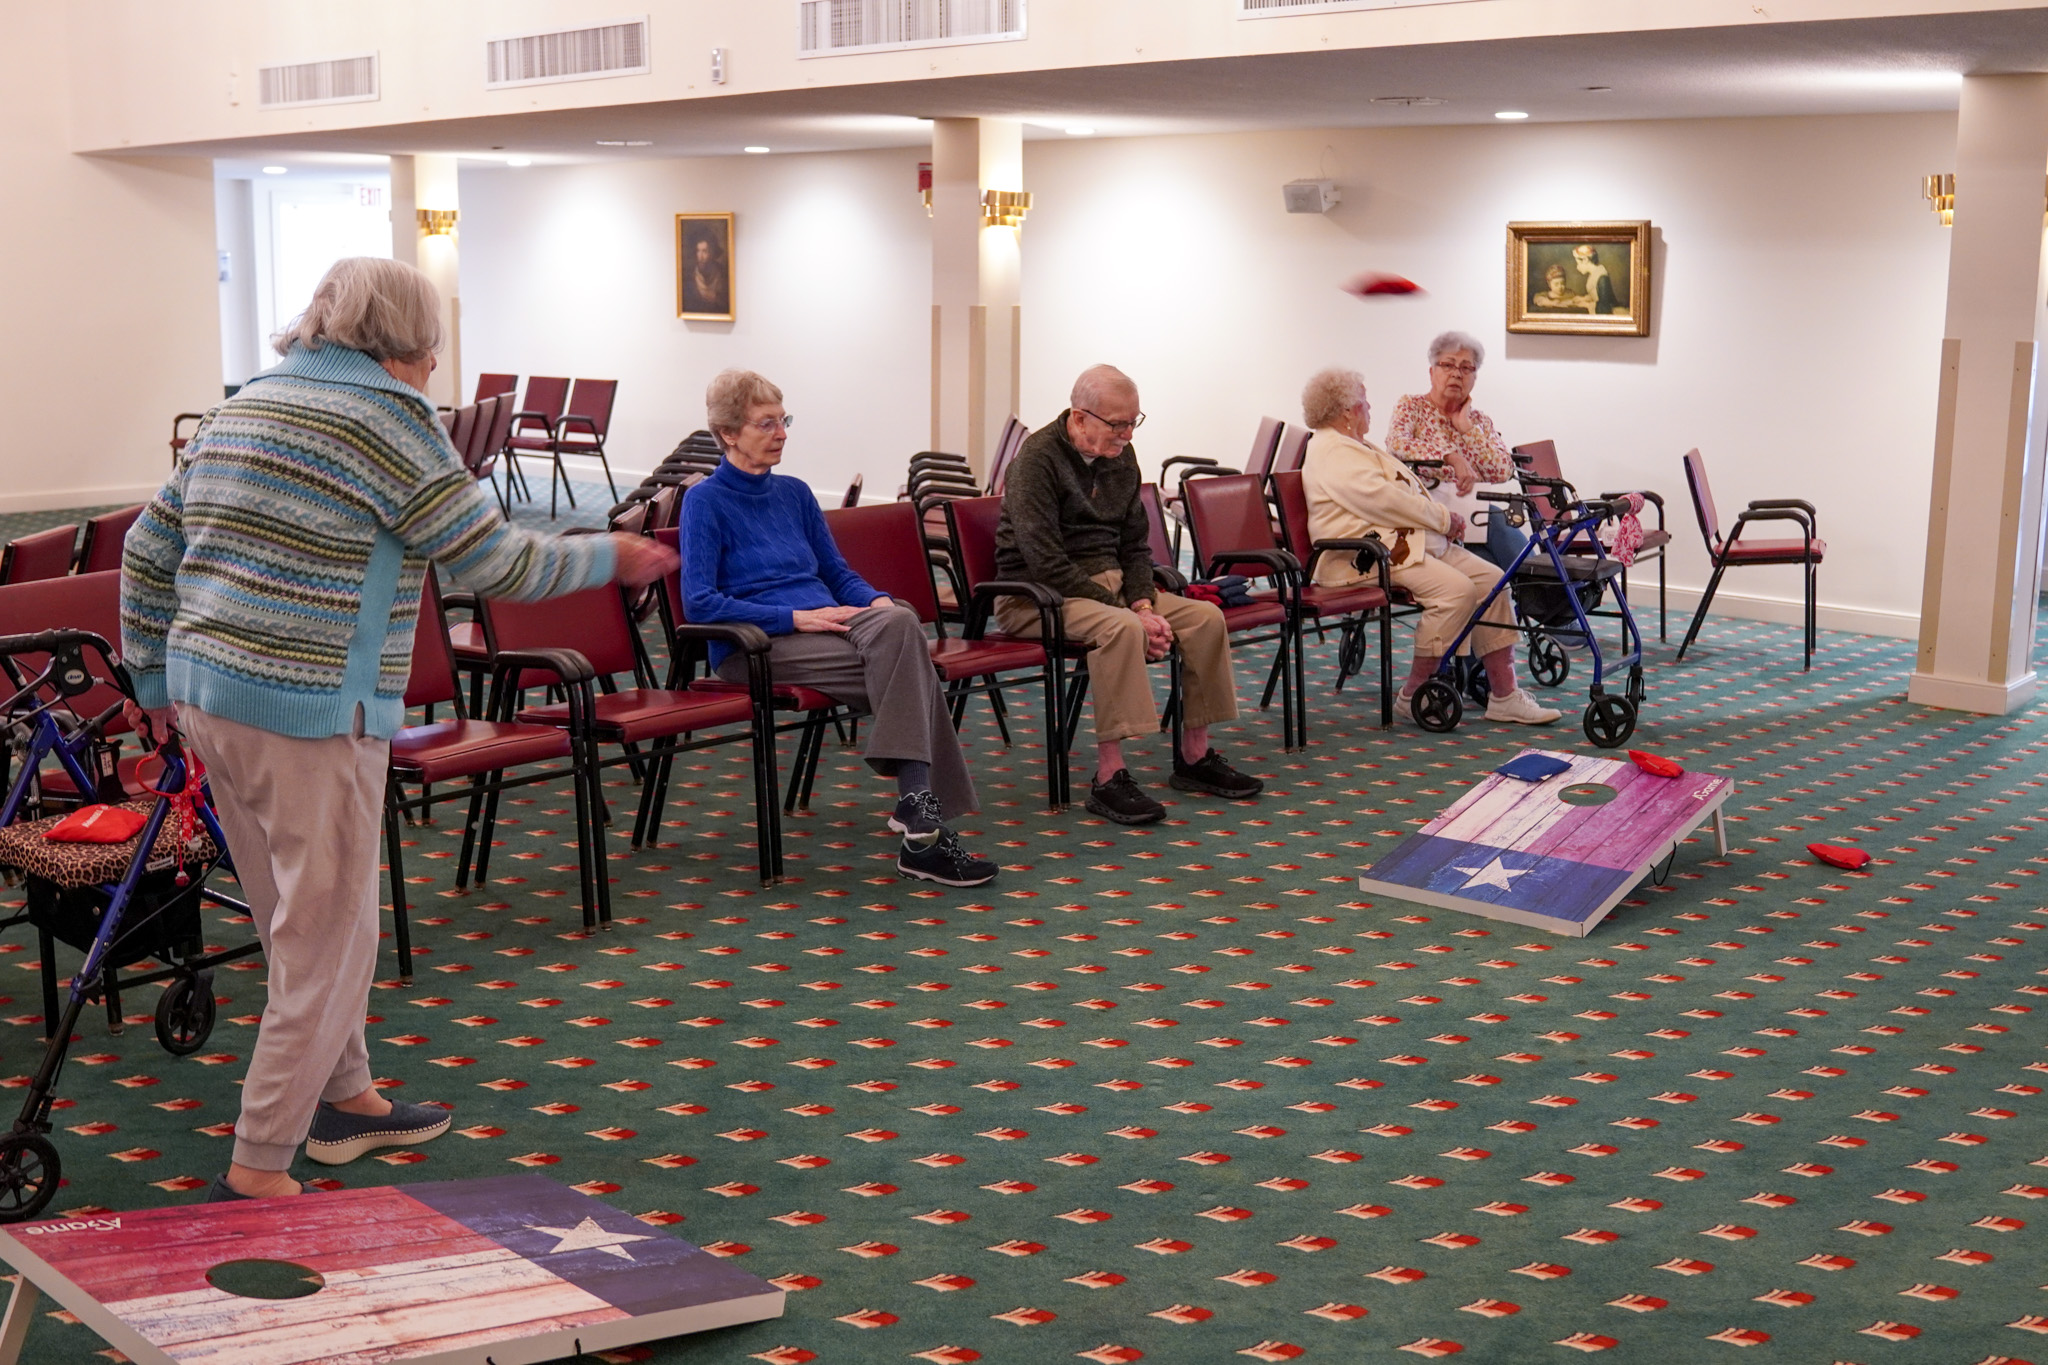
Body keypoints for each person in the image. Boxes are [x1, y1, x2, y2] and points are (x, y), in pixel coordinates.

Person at [119, 257, 678, 1202]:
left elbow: (146, 545)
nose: (432, 368)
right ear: (407, 344)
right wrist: (608, 556)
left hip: (211, 695)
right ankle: (260, 1160)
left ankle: (348, 1098)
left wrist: (150, 676)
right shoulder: (390, 418)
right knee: (329, 939)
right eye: (430, 350)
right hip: (309, 710)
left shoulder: (244, 404)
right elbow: (493, 560)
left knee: (296, 919)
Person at [680, 369, 996, 888]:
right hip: (758, 644)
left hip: (831, 629)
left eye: (785, 420)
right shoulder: (705, 501)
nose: (782, 432)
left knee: (900, 624)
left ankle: (920, 823)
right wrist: (794, 618)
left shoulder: (795, 493)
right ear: (729, 433)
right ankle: (923, 832)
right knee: (914, 668)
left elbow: (836, 574)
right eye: (767, 423)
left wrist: (876, 600)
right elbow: (701, 602)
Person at [992, 365, 1263, 826]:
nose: (1127, 433)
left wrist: (1141, 603)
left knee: (1203, 619)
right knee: (1118, 629)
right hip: (1036, 595)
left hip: (1111, 585)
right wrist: (1128, 615)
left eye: (1134, 421)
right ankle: (1109, 775)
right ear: (1080, 418)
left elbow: (1136, 545)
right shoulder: (1036, 462)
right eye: (1117, 423)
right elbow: (1046, 562)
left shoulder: (1121, 456)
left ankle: (1195, 756)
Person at [1300, 367, 1561, 727]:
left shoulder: (1351, 445)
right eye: (1364, 399)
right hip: (1361, 557)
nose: (1370, 406)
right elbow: (1385, 500)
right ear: (1347, 410)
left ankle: (1505, 695)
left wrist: (1440, 524)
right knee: (1457, 592)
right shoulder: (1331, 451)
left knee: (1492, 580)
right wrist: (1442, 519)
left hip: (1401, 545)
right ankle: (1413, 693)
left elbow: (1396, 496)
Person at [1385, 330, 1527, 572]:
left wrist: (1466, 428)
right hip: (1428, 514)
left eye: (1465, 368)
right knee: (1496, 547)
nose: (1456, 374)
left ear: (1474, 377)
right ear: (1432, 372)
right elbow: (1396, 444)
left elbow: (1503, 471)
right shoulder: (1412, 406)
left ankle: (1546, 599)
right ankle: (1551, 600)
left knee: (1497, 552)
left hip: (1473, 516)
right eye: (1447, 365)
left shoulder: (1479, 420)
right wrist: (1451, 457)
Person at [1573, 244, 1622, 316]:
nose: (1577, 267)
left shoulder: (1602, 276)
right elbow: (1596, 295)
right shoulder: (1593, 274)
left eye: (1578, 263)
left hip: (1611, 313)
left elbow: (1605, 306)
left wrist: (1586, 305)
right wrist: (1583, 299)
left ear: (1585, 260)